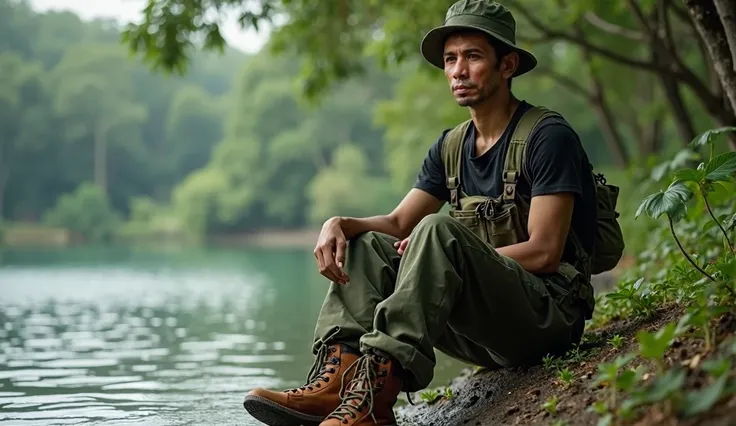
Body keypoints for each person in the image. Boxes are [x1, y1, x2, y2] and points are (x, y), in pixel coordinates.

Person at [243, 0, 607, 425]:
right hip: (482, 332)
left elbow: (545, 252)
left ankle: (374, 403)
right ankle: (337, 384)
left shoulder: (548, 137)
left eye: (472, 57)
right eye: (451, 59)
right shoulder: (451, 146)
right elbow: (398, 224)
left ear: (507, 65)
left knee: (436, 232)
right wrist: (339, 223)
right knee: (366, 244)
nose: (457, 71)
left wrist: (443, 255)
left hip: (547, 320)